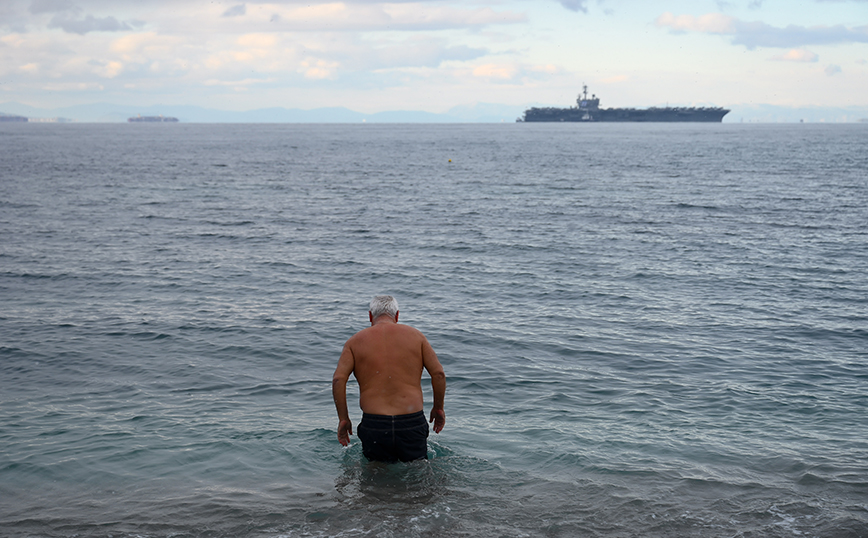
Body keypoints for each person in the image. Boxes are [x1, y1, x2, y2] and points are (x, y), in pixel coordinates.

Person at [332, 295, 446, 462]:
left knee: (374, 478)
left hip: (375, 424)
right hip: (411, 422)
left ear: (370, 316)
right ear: (397, 315)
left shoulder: (354, 342)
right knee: (419, 474)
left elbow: (338, 380)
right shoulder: (416, 337)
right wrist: (438, 408)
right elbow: (439, 374)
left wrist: (343, 418)